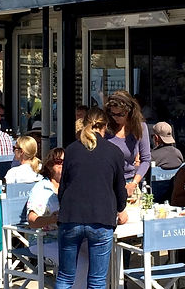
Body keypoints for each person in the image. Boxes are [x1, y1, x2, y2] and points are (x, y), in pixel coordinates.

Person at [57, 107, 128, 289]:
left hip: (71, 215)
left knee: (65, 277)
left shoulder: (72, 149)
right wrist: (121, 208)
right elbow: (120, 188)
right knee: (97, 280)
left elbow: (63, 186)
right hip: (101, 216)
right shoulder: (114, 151)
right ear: (105, 127)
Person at [104, 91, 151, 197]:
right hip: (108, 182)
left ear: (129, 111)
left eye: (120, 114)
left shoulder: (140, 127)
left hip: (129, 181)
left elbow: (146, 160)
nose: (116, 117)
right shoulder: (106, 128)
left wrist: (134, 183)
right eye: (113, 114)